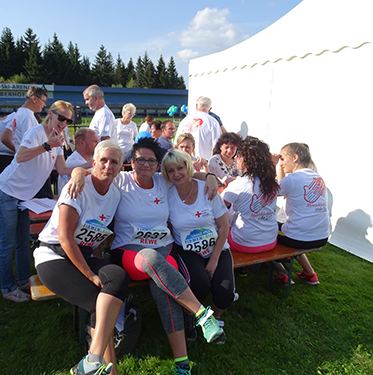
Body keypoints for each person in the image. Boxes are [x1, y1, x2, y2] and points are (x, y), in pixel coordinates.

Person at [67, 137, 224, 375]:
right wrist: (78, 171)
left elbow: (192, 176)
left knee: (165, 291)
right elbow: (96, 171)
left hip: (165, 249)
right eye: (140, 160)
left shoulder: (164, 181)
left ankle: (182, 364)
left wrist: (210, 176)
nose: (146, 165)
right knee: (150, 257)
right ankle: (203, 315)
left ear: (158, 164)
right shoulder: (121, 180)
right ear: (131, 161)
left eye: (151, 161)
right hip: (128, 251)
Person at [35, 140, 129, 375]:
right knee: (100, 301)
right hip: (53, 255)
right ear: (94, 162)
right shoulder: (77, 187)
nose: (108, 166)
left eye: (114, 162)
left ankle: (92, 360)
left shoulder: (115, 194)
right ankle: (110, 370)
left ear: (120, 168)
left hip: (83, 253)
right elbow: (66, 238)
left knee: (117, 276)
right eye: (103, 160)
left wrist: (98, 264)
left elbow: (96, 234)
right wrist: (89, 273)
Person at [0, 100, 78, 303]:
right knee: (7, 244)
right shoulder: (36, 133)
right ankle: (8, 288)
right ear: (51, 114)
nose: (64, 123)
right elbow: (20, 156)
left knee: (23, 241)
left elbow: (63, 170)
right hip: (6, 193)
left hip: (23, 198)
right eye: (61, 118)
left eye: (68, 120)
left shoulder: (58, 139)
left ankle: (22, 281)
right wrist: (48, 145)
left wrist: (90, 169)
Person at [161, 149, 236, 343]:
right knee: (200, 284)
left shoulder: (206, 188)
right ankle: (189, 315)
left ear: (188, 167)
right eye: (171, 171)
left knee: (226, 293)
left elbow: (223, 226)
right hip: (187, 250)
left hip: (217, 247)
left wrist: (214, 260)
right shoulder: (167, 193)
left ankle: (214, 317)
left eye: (180, 167)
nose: (176, 174)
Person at [272, 142, 329, 285]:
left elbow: (273, 191)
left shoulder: (293, 179)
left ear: (295, 157)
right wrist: (280, 166)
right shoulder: (318, 177)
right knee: (296, 231)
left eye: (283, 159)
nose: (282, 163)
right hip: (322, 236)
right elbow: (283, 184)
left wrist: (273, 165)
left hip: (300, 237)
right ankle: (310, 274)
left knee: (265, 232)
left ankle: (282, 274)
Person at [221, 136, 279, 254]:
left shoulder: (240, 184)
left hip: (244, 242)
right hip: (271, 240)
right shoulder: (271, 181)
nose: (236, 157)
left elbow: (218, 207)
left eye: (239, 155)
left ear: (249, 160)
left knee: (219, 229)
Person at [0, 86, 48, 152]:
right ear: (34, 99)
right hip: (28, 159)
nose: (44, 104)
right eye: (43, 101)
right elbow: (31, 143)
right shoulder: (27, 116)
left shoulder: (19, 113)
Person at [57, 128, 97, 194]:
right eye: (94, 141)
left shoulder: (78, 159)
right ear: (82, 143)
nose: (98, 144)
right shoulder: (76, 163)